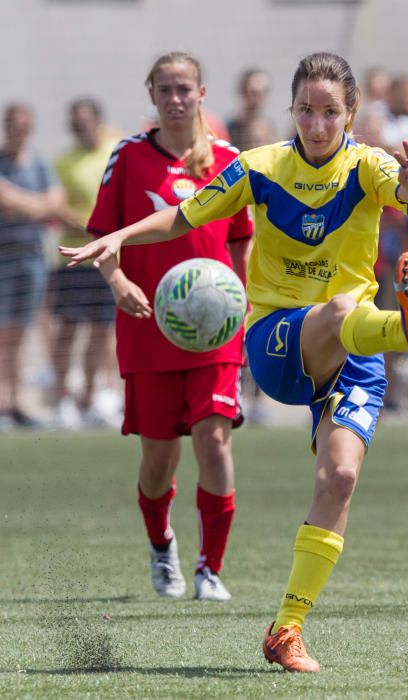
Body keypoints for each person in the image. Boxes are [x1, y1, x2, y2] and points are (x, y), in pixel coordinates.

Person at [59, 52, 408, 672]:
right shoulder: (257, 167)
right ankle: (407, 329)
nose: (317, 125)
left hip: (352, 352)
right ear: (292, 110)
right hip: (277, 340)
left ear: (350, 114)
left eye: (330, 113)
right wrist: (121, 238)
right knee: (341, 308)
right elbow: (181, 216)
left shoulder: (367, 165)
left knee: (338, 478)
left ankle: (286, 630)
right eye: (306, 111)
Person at [78, 53, 253, 601]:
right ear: (151, 94)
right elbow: (105, 235)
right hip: (147, 326)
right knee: (159, 456)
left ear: (202, 93)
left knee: (214, 440)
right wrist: (117, 282)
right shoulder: (128, 156)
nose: (175, 98)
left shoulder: (228, 160)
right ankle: (162, 545)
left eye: (184, 89)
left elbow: (242, 240)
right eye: (165, 89)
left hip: (217, 332)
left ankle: (210, 569)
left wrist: (244, 306)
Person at [51, 98, 120, 428]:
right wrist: (90, 228)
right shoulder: (64, 162)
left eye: (85, 120)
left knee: (100, 331)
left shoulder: (116, 150)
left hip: (107, 257)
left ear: (98, 121)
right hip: (73, 257)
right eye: (75, 121)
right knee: (67, 330)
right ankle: (62, 397)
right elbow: (57, 206)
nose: (80, 127)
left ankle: (90, 397)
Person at [0, 103, 65, 430]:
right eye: (13, 124)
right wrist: (36, 206)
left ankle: (15, 400)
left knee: (21, 333)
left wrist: (27, 206)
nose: (18, 130)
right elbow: (5, 199)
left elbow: (56, 201)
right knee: (3, 333)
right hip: (3, 259)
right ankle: (4, 401)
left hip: (33, 259)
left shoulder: (39, 162)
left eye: (24, 125)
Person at [227, 68, 276, 152]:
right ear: (243, 92)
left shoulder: (267, 128)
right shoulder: (230, 129)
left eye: (263, 92)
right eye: (254, 92)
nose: (258, 98)